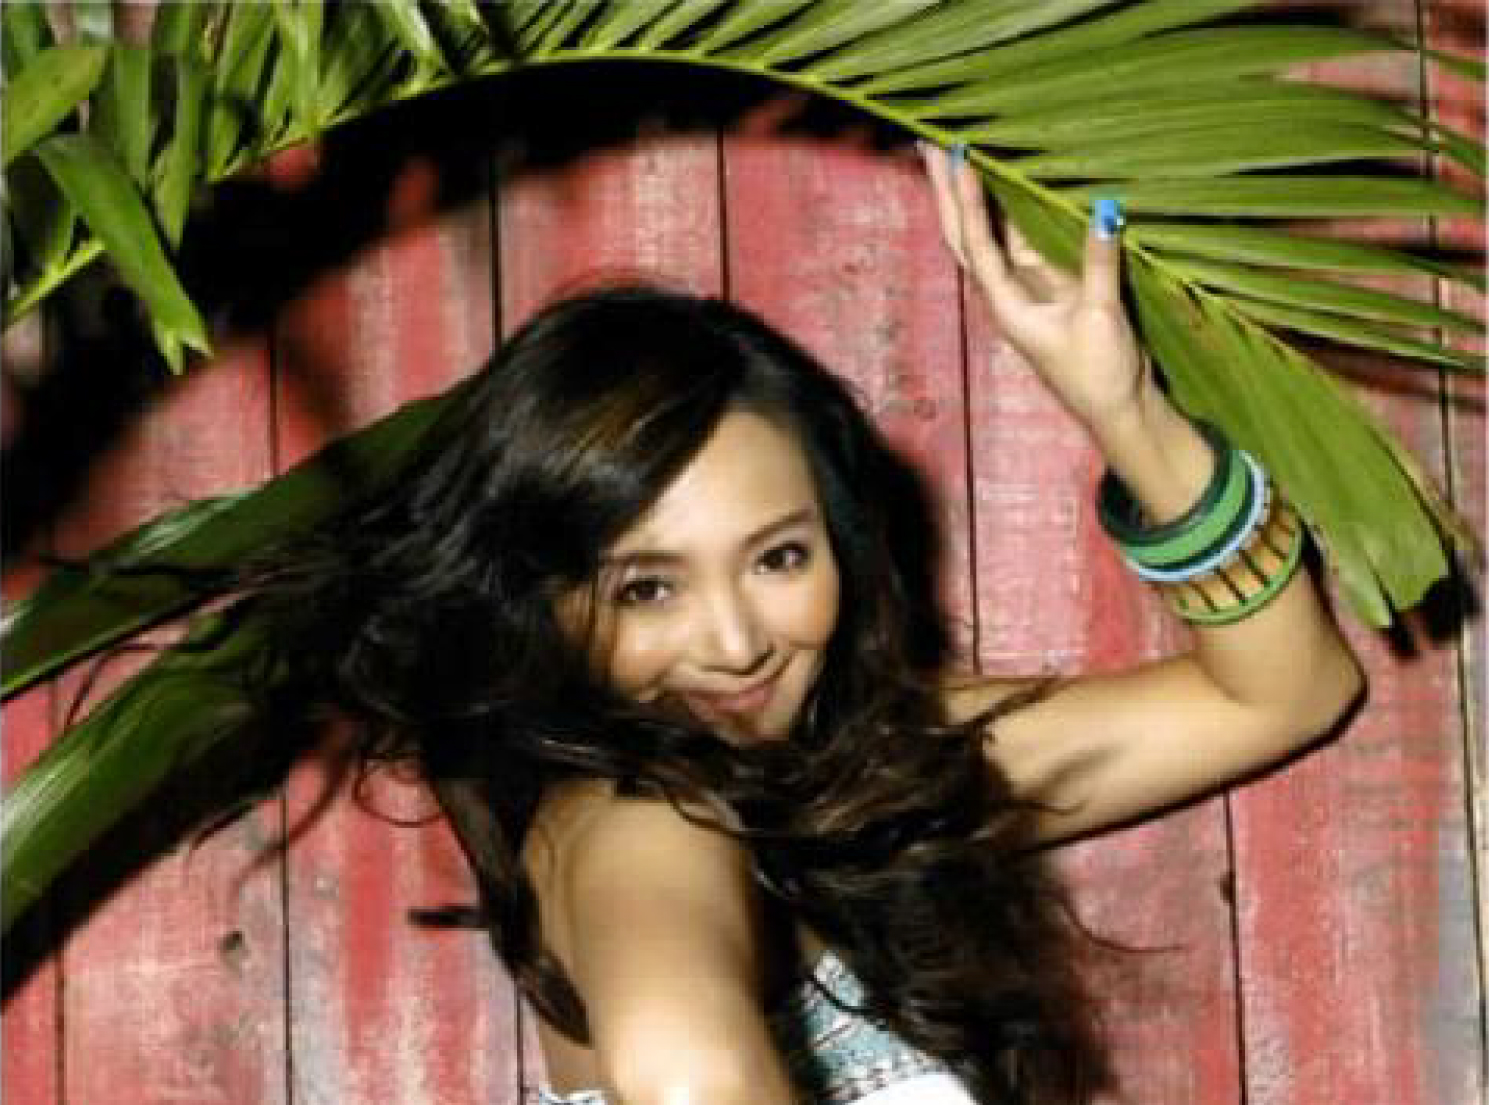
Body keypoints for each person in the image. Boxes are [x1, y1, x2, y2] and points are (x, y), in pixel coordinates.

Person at [237, 142, 1363, 1104]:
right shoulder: (637, 823)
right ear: (546, 597)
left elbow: (1283, 691)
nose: (736, 643)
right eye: (647, 588)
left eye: (778, 558)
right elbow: (688, 1073)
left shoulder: (862, 773)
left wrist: (1122, 409)